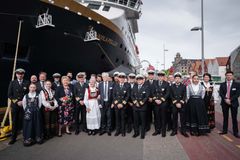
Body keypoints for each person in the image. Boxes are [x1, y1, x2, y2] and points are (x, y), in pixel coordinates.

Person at [8, 68, 30, 145]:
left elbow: (28, 94)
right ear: (16, 74)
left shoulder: (27, 82)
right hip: (15, 105)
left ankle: (26, 137)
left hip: (24, 105)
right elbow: (9, 95)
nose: (20, 75)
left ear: (23, 74)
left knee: (25, 121)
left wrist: (23, 102)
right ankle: (13, 138)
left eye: (21, 74)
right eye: (18, 74)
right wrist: (17, 102)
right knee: (15, 122)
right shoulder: (12, 82)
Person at [219, 71, 240, 138]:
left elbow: (237, 94)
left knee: (234, 118)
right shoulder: (222, 84)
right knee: (225, 117)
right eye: (227, 75)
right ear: (225, 76)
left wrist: (230, 99)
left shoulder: (237, 84)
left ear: (232, 76)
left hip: (233, 103)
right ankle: (224, 130)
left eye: (230, 75)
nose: (229, 76)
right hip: (224, 103)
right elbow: (221, 93)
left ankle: (235, 132)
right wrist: (225, 99)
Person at [170, 72, 189, 137]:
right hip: (174, 105)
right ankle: (174, 130)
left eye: (179, 78)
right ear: (174, 79)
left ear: (181, 79)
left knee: (183, 118)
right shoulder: (172, 86)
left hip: (182, 105)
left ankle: (183, 131)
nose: (177, 79)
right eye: (176, 78)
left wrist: (180, 103)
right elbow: (171, 96)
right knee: (174, 118)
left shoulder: (184, 86)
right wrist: (176, 103)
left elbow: (184, 95)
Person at [131, 74, 150, 139]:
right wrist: (135, 102)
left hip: (142, 107)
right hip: (135, 106)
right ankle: (136, 133)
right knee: (136, 121)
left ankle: (142, 134)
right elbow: (132, 95)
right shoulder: (135, 86)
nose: (139, 81)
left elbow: (147, 96)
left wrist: (141, 103)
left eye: (140, 79)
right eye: (138, 80)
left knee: (143, 121)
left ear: (143, 80)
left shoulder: (146, 87)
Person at [152, 71, 170, 137]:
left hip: (163, 103)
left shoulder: (166, 84)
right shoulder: (154, 83)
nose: (160, 77)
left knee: (163, 117)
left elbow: (167, 93)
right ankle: (157, 130)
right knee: (156, 118)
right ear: (158, 77)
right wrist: (155, 99)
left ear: (163, 77)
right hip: (156, 103)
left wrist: (161, 100)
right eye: (159, 76)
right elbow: (152, 92)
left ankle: (163, 132)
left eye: (162, 76)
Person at [112, 72, 130, 137]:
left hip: (123, 106)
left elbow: (127, 96)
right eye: (120, 77)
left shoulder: (127, 86)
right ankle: (118, 131)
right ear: (118, 78)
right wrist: (117, 103)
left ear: (124, 78)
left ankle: (123, 131)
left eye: (123, 78)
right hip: (117, 105)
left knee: (123, 119)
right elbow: (113, 95)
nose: (121, 79)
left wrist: (122, 104)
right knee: (117, 119)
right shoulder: (115, 85)